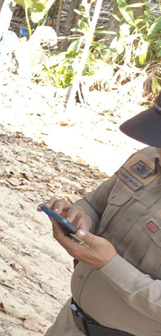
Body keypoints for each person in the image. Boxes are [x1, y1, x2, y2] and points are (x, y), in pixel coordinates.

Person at [43, 95, 161, 335]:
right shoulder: (148, 158)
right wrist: (79, 217)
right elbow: (94, 204)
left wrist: (109, 264)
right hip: (69, 323)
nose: (157, 147)